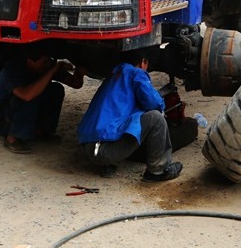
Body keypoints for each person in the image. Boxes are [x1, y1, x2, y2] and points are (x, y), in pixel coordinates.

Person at [78, 49, 182, 182]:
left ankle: (108, 164)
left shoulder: (114, 75)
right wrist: (161, 100)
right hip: (103, 150)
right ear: (143, 62)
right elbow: (154, 103)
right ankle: (157, 171)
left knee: (124, 116)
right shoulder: (136, 73)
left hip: (87, 146)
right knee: (155, 118)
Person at [0, 44, 85, 154]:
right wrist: (51, 72)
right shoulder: (12, 70)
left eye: (49, 61)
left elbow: (75, 84)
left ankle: (42, 131)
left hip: (22, 107)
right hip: (2, 119)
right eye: (44, 62)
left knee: (56, 89)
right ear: (30, 62)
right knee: (29, 96)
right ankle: (12, 138)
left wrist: (79, 74)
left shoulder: (47, 66)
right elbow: (26, 95)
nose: (48, 64)